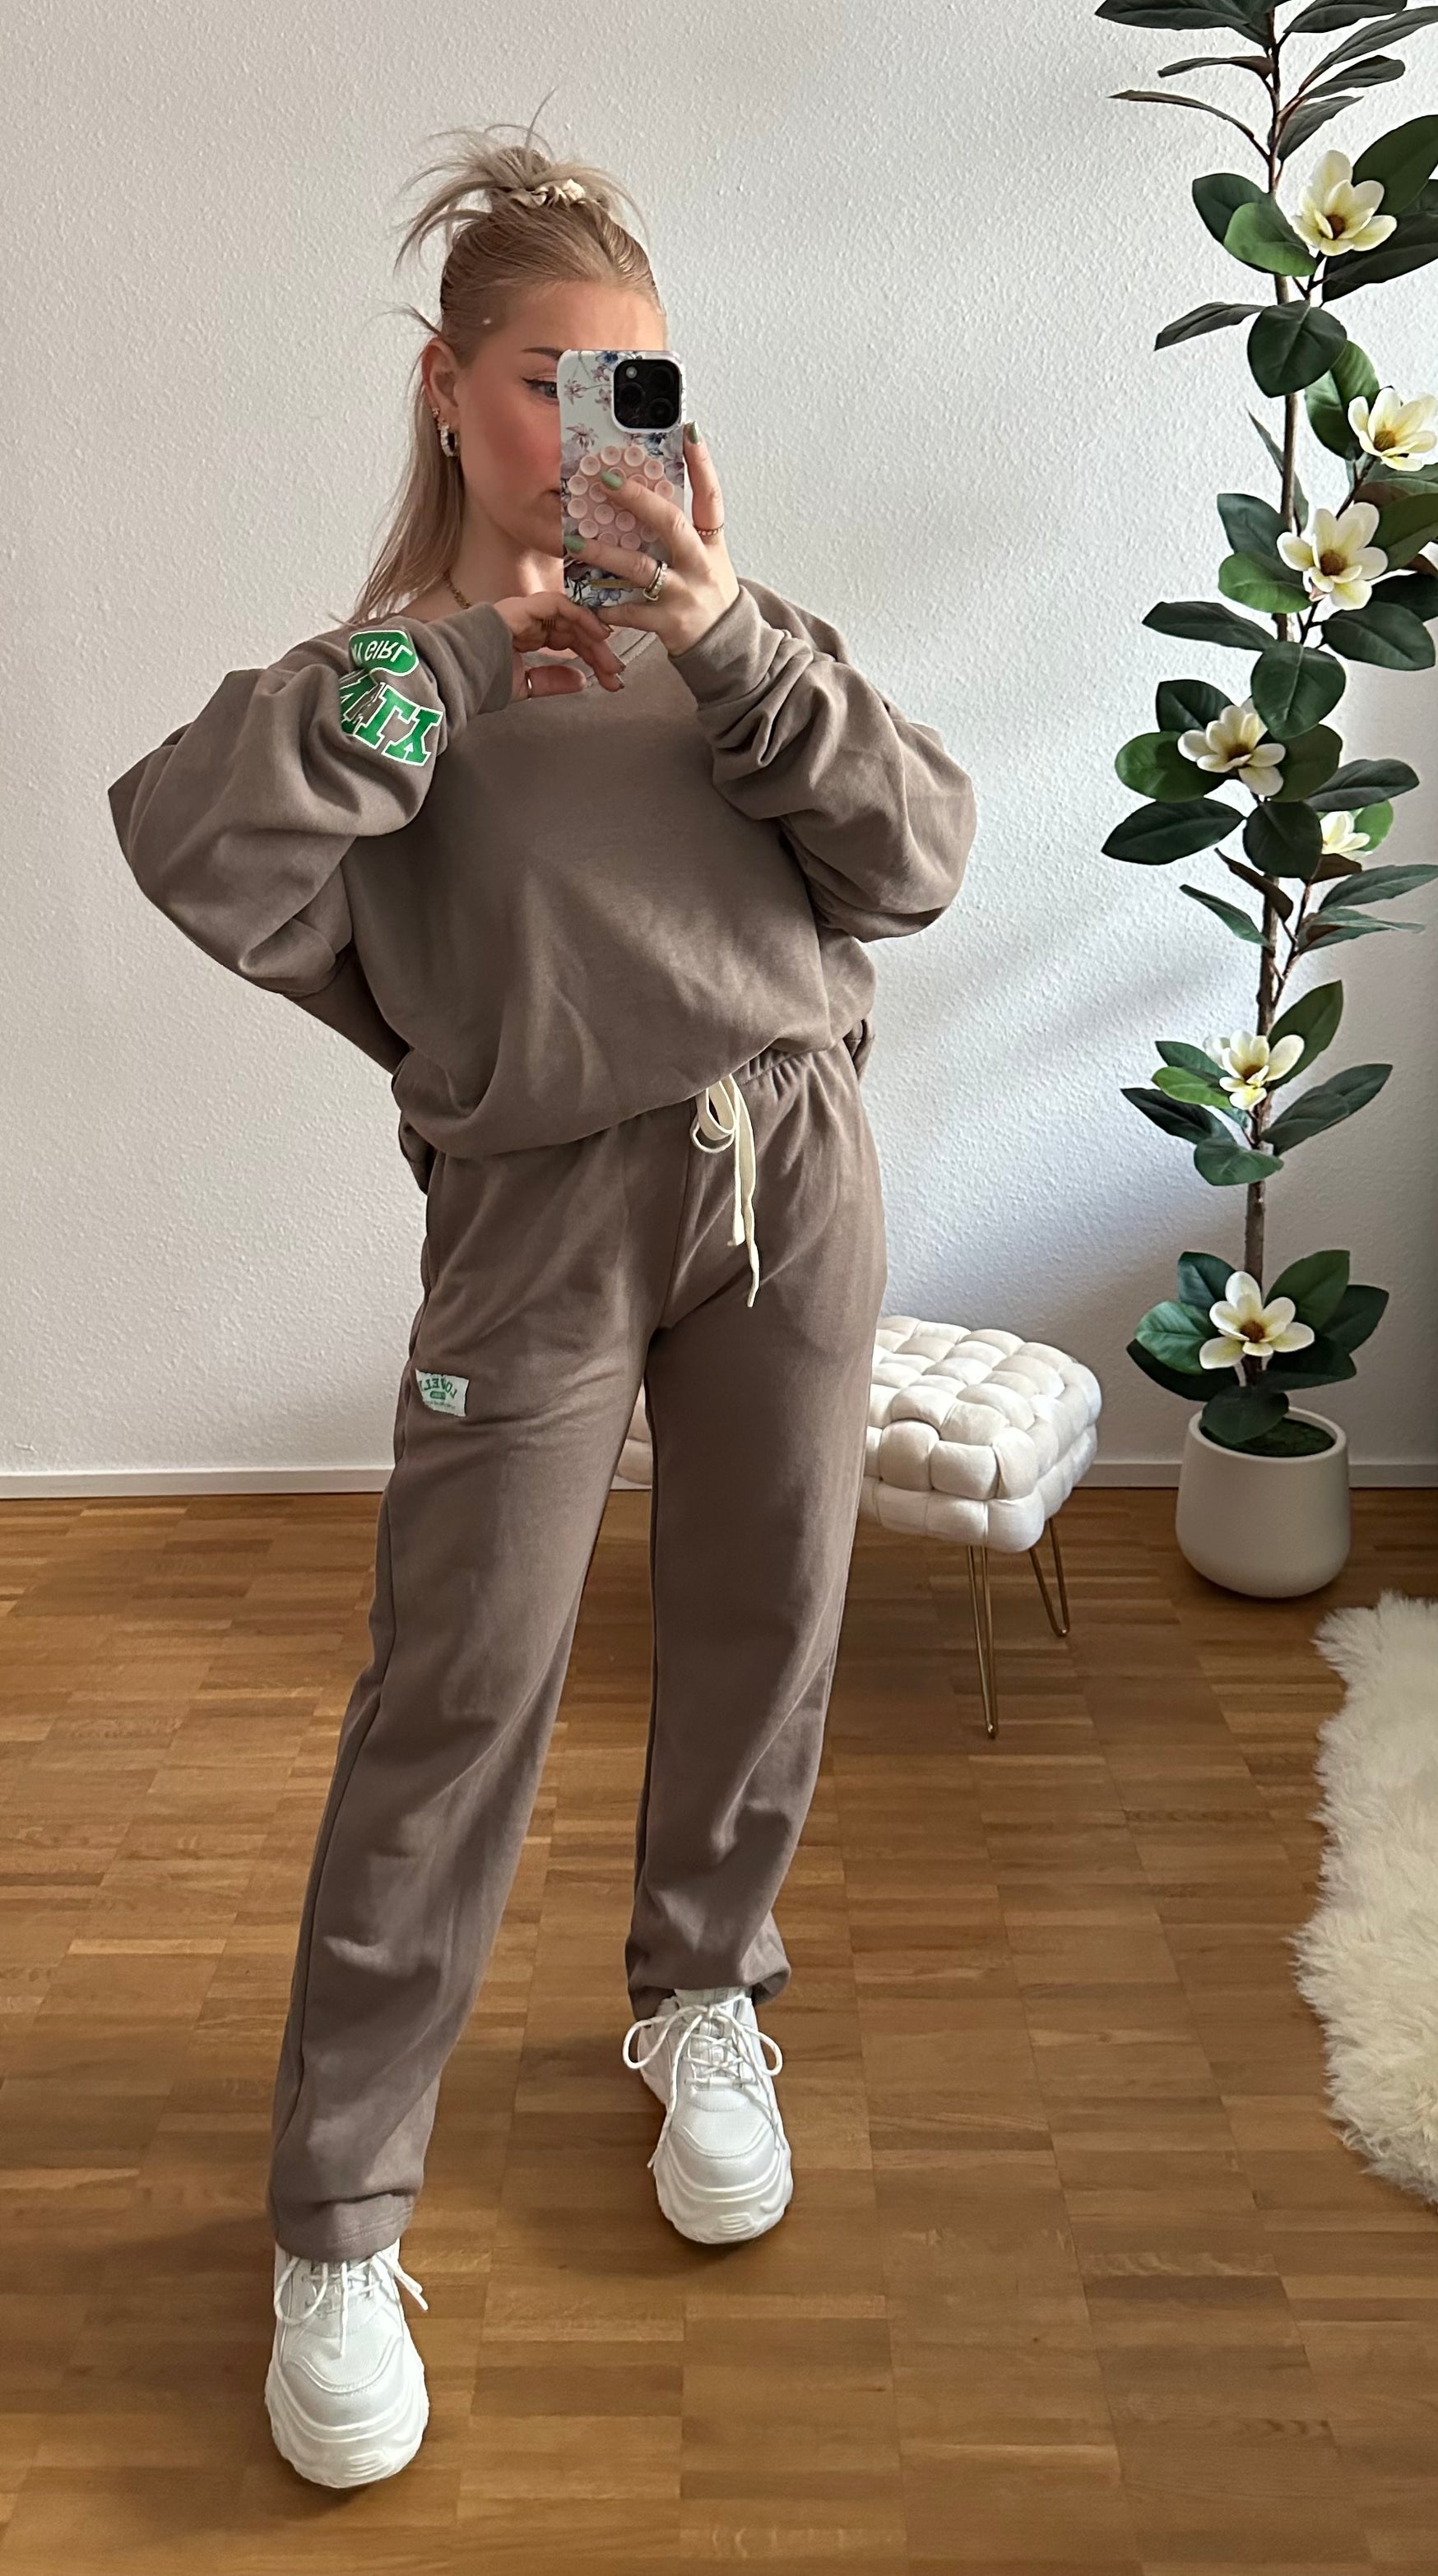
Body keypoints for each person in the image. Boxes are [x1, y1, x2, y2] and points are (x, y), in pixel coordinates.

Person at [106, 112, 978, 2491]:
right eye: (552, 379)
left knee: (765, 1618)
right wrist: (478, 661)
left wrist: (722, 632)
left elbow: (919, 859)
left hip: (787, 1168)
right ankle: (336, 2216)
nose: (606, 427)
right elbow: (200, 851)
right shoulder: (390, 678)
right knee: (459, 1685)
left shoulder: (736, 647)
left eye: (641, 384)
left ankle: (703, 1995)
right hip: (537, 1218)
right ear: (447, 388)